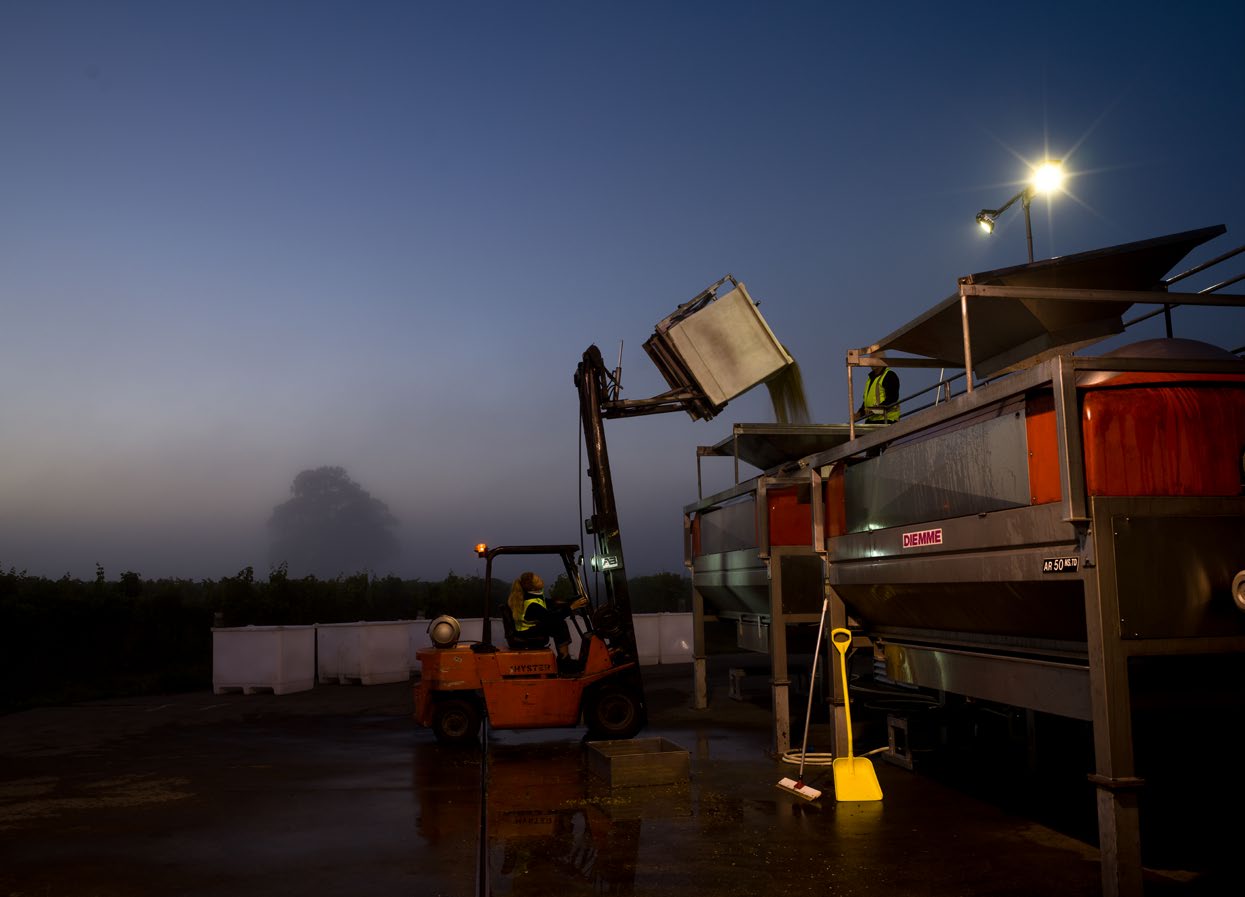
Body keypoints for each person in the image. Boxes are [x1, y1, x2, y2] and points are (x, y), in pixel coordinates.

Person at [507, 572, 589, 672]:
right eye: (537, 580)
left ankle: (565, 660)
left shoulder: (533, 597)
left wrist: (568, 602)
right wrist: (571, 607)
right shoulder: (532, 604)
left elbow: (551, 603)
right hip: (526, 633)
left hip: (528, 629)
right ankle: (565, 662)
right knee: (558, 624)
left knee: (557, 621)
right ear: (532, 587)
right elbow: (550, 617)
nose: (541, 579)